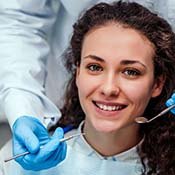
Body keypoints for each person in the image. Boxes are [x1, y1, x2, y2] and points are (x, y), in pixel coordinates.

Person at [1, 1, 175, 174]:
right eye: (95, 67)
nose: (108, 89)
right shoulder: (14, 163)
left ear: (157, 84)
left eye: (130, 72)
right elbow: (18, 21)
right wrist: (23, 106)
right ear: (77, 73)